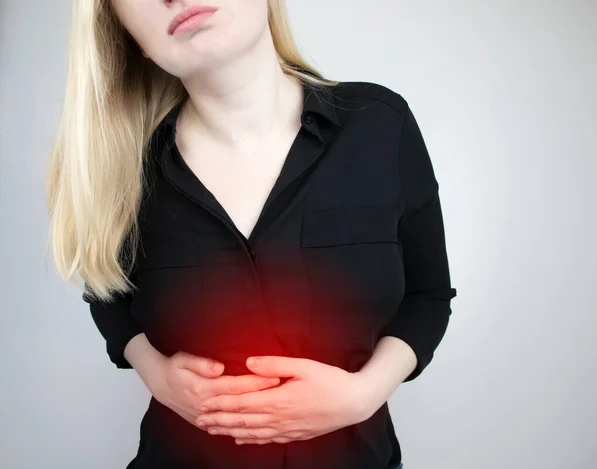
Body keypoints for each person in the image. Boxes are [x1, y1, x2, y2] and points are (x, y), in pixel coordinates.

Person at [45, 1, 457, 468]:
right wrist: (154, 372)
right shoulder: (120, 169)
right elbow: (106, 293)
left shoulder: (381, 124)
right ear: (125, 35)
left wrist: (364, 395)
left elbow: (428, 296)